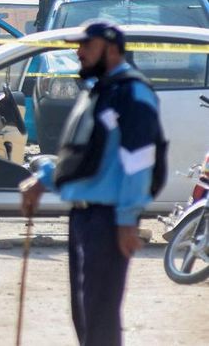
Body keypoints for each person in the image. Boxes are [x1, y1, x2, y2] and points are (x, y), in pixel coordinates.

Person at [20, 22, 163, 346]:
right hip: (85, 217)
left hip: (109, 220)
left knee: (99, 316)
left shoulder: (133, 93)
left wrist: (127, 220)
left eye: (87, 45)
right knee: (84, 315)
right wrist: (42, 182)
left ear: (111, 49)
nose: (78, 52)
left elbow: (139, 161)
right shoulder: (99, 90)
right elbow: (82, 158)